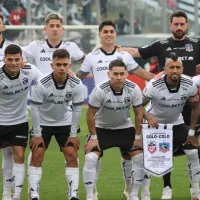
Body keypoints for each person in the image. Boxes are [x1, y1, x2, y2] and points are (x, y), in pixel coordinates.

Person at [120, 10, 200, 199]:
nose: (179, 27)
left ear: (186, 25)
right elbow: (137, 53)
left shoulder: (196, 45)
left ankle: (194, 189)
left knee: (193, 149)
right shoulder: (161, 47)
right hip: (160, 113)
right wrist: (117, 48)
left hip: (185, 104)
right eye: (176, 24)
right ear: (171, 25)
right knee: (159, 153)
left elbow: (197, 105)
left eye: (182, 24)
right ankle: (160, 189)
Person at [76, 20, 154, 200]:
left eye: (112, 31)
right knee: (92, 158)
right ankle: (92, 193)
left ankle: (130, 191)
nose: (109, 34)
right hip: (101, 113)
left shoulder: (124, 56)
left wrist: (163, 79)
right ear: (100, 34)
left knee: (129, 156)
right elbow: (78, 78)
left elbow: (142, 74)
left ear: (115, 34)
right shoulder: (92, 56)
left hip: (123, 115)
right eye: (105, 31)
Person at [83, 59, 150, 200]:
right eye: (115, 74)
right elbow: (90, 114)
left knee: (139, 158)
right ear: (109, 74)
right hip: (102, 129)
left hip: (125, 129)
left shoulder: (133, 88)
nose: (118, 77)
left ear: (126, 74)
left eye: (121, 74)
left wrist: (138, 138)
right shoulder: (100, 90)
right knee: (90, 159)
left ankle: (132, 193)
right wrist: (93, 138)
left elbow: (139, 113)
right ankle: (91, 194)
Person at [142, 52, 200, 200]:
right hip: (156, 125)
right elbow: (137, 106)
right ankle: (159, 190)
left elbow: (195, 108)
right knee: (156, 157)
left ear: (182, 68)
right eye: (171, 67)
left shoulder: (190, 84)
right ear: (165, 69)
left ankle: (195, 190)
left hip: (176, 122)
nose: (175, 70)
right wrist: (148, 116)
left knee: (193, 152)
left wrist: (191, 132)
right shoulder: (154, 85)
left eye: (178, 67)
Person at [28, 49, 84, 200]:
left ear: (70, 65)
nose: (61, 68)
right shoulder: (42, 84)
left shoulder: (76, 84)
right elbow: (35, 109)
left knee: (72, 155)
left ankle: (73, 194)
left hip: (65, 122)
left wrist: (73, 135)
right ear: (51, 65)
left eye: (65, 64)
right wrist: (37, 134)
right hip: (43, 123)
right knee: (37, 155)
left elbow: (77, 110)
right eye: (58, 64)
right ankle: (34, 194)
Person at [0, 44, 42, 200]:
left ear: (22, 60)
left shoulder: (29, 70)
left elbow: (45, 80)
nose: (13, 63)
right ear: (4, 59)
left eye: (17, 59)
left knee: (19, 154)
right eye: (10, 60)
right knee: (7, 153)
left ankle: (16, 195)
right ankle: (6, 192)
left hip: (20, 121)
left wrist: (67, 75)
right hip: (1, 121)